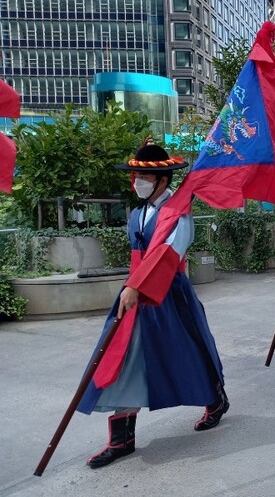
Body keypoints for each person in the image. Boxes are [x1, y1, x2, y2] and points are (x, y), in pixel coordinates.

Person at [77, 142, 228, 469]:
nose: (137, 182)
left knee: (187, 350)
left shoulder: (179, 211)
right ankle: (122, 439)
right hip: (134, 291)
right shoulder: (137, 213)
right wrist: (132, 286)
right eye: (135, 176)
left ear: (161, 179)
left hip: (168, 292)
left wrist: (138, 285)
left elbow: (169, 254)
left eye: (144, 176)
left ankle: (215, 400)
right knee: (124, 356)